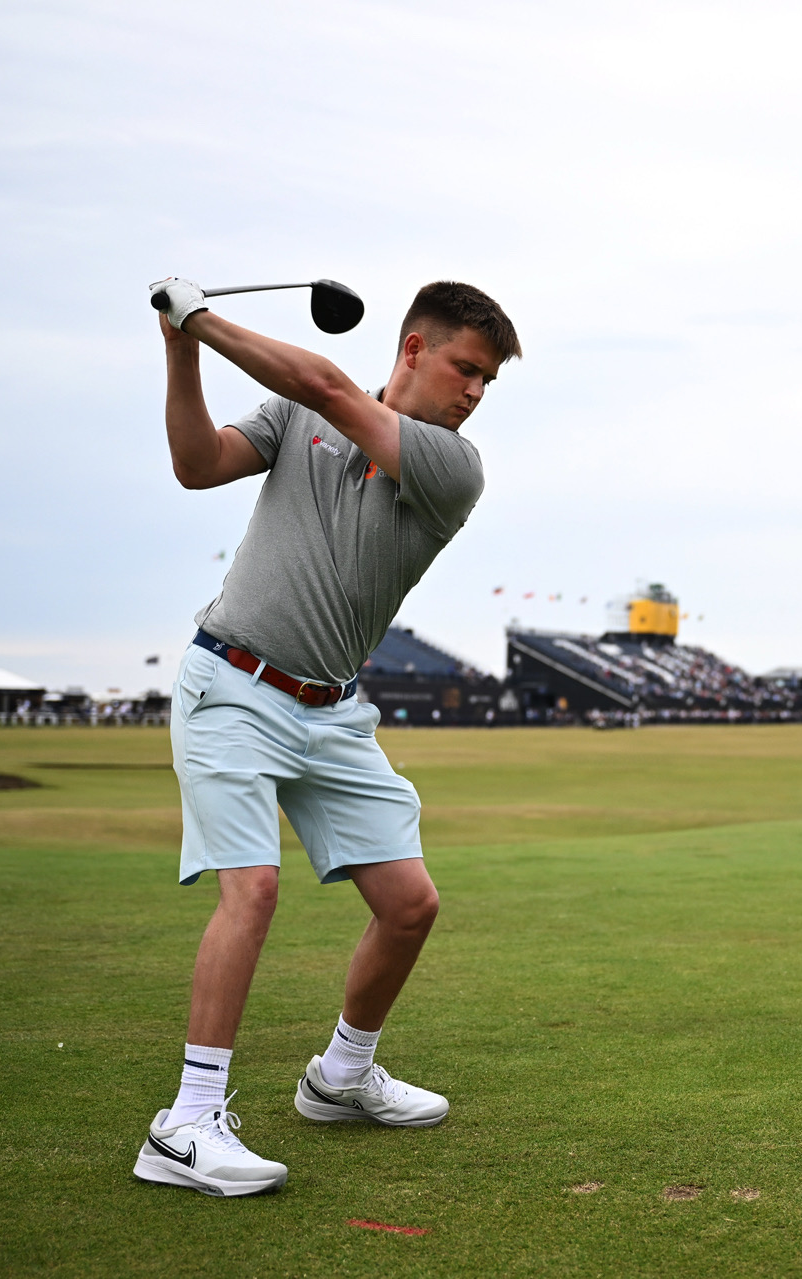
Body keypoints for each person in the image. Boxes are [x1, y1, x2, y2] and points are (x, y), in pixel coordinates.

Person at [132, 277, 520, 1197]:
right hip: (230, 681)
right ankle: (184, 1125)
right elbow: (197, 463)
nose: (473, 392)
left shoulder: (449, 466)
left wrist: (202, 316)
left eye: (488, 382)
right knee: (253, 889)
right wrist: (179, 348)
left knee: (410, 903)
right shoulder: (290, 415)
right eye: (466, 368)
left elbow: (334, 392)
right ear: (416, 350)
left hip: (332, 711)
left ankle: (341, 1075)